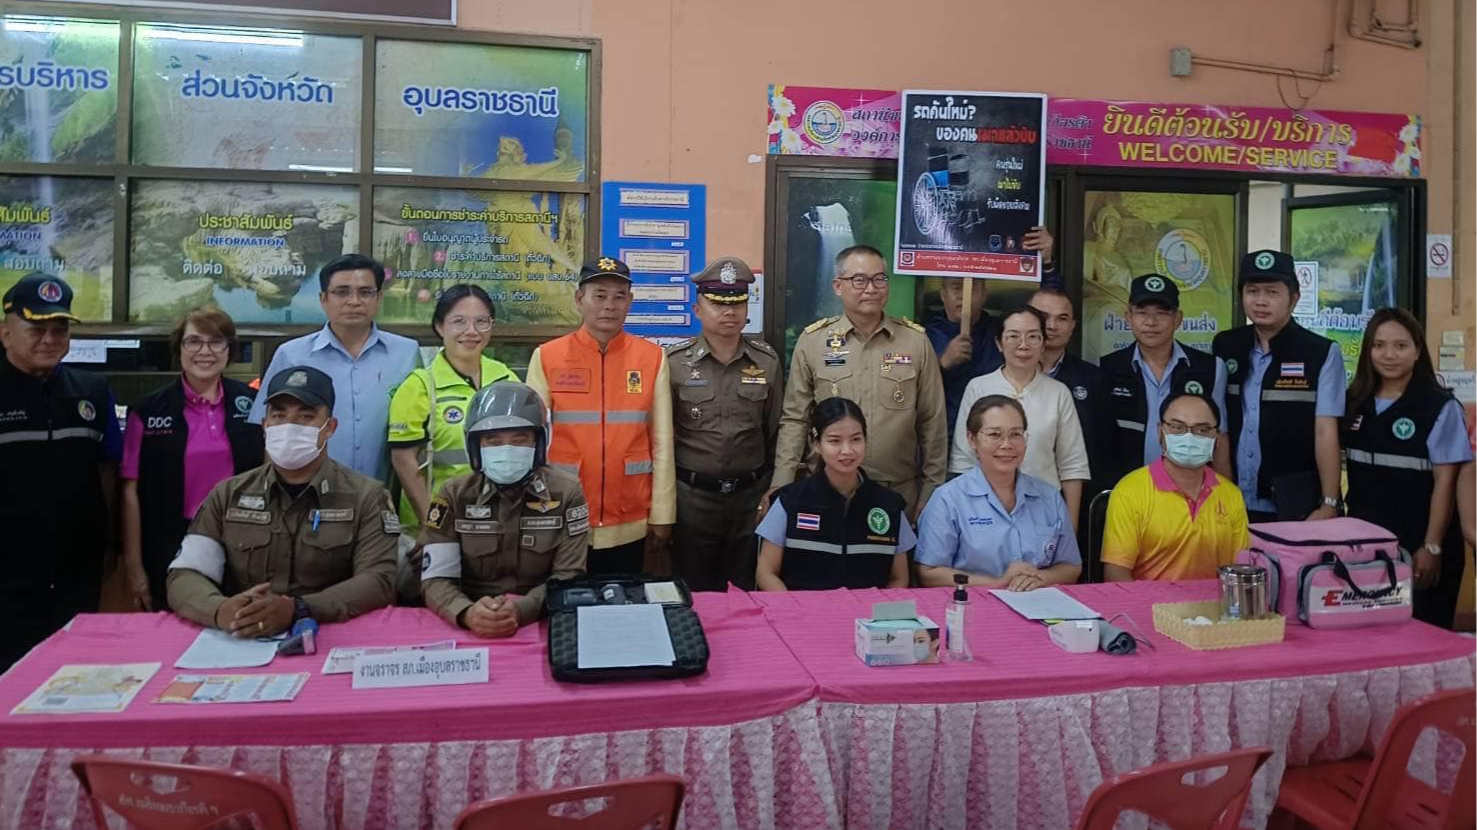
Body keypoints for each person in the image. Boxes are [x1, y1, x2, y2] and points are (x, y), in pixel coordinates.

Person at [167, 366, 397, 635]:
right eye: (279, 415)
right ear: (264, 426)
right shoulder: (229, 494)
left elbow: (379, 581)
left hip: (327, 634)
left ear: (329, 428)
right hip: (239, 636)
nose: (290, 426)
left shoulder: (366, 496)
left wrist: (299, 608)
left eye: (306, 416)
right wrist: (221, 610)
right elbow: (186, 574)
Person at [770, 244, 947, 519]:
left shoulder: (915, 342)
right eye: (859, 280)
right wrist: (781, 484)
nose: (871, 288)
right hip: (827, 488)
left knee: (894, 562)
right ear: (837, 286)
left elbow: (932, 423)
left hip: (898, 491)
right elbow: (795, 419)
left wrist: (932, 490)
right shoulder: (814, 342)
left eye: (880, 279)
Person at [0, 274, 122, 669]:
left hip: (77, 570)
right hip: (8, 575)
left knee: (70, 679)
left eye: (60, 328)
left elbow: (107, 470)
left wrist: (109, 541)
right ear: (5, 332)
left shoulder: (92, 390)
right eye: (37, 328)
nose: (50, 339)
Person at [525, 257, 675, 575]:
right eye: (600, 295)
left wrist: (663, 513)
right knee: (564, 607)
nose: (609, 305)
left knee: (621, 610)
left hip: (631, 517)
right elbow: (532, 442)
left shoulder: (652, 357)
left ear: (630, 302)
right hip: (563, 512)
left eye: (619, 296)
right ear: (580, 299)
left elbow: (662, 443)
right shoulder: (547, 356)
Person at [417, 382, 588, 637]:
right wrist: (465, 612)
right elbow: (436, 577)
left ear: (539, 443)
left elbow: (568, 575)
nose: (507, 450)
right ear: (475, 447)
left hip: (539, 618)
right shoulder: (453, 495)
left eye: (520, 440)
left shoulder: (567, 492)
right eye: (493, 441)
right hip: (469, 617)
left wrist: (522, 610)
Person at [120, 308, 263, 611]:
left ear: (229, 350)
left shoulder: (252, 405)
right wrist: (134, 566)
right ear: (179, 348)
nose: (205, 352)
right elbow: (131, 491)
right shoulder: (147, 410)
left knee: (242, 628)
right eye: (194, 342)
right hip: (170, 545)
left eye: (216, 342)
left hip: (243, 542)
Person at [1342, 309, 1472, 629]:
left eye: (1401, 346)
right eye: (1379, 345)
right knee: (1368, 639)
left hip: (1420, 547)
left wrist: (1431, 545)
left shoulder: (1439, 406)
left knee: (1422, 638)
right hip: (1367, 548)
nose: (1388, 355)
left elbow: (1446, 482)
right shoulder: (1354, 402)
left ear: (1417, 351)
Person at [666, 257, 783, 590]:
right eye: (717, 303)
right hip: (692, 499)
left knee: (746, 590)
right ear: (697, 309)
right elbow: (662, 437)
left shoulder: (766, 361)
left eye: (737, 303)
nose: (729, 311)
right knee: (694, 591)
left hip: (750, 498)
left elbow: (776, 429)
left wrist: (772, 489)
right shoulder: (674, 364)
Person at [250, 254, 420, 481]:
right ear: (323, 299)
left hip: (385, 497)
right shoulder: (291, 355)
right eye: (342, 292)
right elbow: (272, 434)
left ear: (378, 298)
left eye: (365, 292)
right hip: (308, 495)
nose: (354, 301)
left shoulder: (407, 353)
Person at [1213, 250, 1345, 522]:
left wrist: (1329, 502)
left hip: (1294, 502)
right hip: (1233, 499)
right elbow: (1219, 426)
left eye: (1272, 292)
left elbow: (1325, 431)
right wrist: (1221, 490)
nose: (1261, 301)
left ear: (1294, 298)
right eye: (1252, 291)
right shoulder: (1226, 346)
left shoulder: (1320, 353)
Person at [388, 285, 517, 538]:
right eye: (459, 321)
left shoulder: (506, 377)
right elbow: (403, 462)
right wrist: (433, 526)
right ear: (440, 326)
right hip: (442, 523)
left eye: (482, 322)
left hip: (499, 521)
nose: (471, 331)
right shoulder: (421, 385)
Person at [917, 395, 1082, 590]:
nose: (1006, 445)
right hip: (972, 606)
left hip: (1039, 605)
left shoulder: (1049, 497)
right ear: (972, 439)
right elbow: (929, 573)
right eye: (994, 434)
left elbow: (1071, 567)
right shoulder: (948, 499)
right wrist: (997, 584)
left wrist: (1040, 578)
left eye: (1016, 434)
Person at [949, 305, 1090, 528]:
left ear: (1044, 343)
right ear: (999, 343)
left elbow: (1072, 465)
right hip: (983, 511)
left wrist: (1069, 528)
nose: (1023, 345)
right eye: (1013, 336)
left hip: (1044, 509)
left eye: (1033, 337)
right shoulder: (978, 387)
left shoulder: (1058, 393)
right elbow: (963, 459)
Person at [756, 397, 912, 591]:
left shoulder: (890, 505)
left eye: (856, 439)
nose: (847, 450)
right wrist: (795, 613)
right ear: (816, 443)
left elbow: (899, 578)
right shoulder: (789, 501)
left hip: (867, 617)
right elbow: (766, 573)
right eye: (834, 441)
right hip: (804, 616)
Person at [1102, 392, 1250, 582]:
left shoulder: (1231, 494)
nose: (1189, 437)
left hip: (1214, 608)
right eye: (1177, 427)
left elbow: (1239, 570)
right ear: (1160, 431)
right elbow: (1116, 574)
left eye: (1202, 430)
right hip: (1150, 607)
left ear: (1217, 437)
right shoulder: (1129, 491)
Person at [1098, 274, 1229, 486]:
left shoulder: (1210, 368)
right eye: (1142, 313)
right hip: (1127, 491)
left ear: (1178, 319)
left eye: (1161, 313)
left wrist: (1225, 493)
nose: (1151, 322)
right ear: (1128, 317)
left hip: (1190, 491)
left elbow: (1220, 439)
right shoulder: (1105, 369)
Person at [927, 226, 1056, 439]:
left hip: (1001, 437)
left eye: (972, 288)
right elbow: (909, 390)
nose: (963, 295)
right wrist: (941, 364)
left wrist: (1047, 264)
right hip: (944, 439)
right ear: (942, 294)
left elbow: (1049, 312)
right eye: (955, 287)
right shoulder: (924, 335)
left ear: (984, 294)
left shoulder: (1000, 331)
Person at [1031, 286, 1110, 507]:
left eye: (1062, 318)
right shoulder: (1001, 375)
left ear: (1073, 326)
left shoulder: (1093, 379)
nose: (1051, 326)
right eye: (1043, 316)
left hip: (1074, 500)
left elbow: (1103, 447)